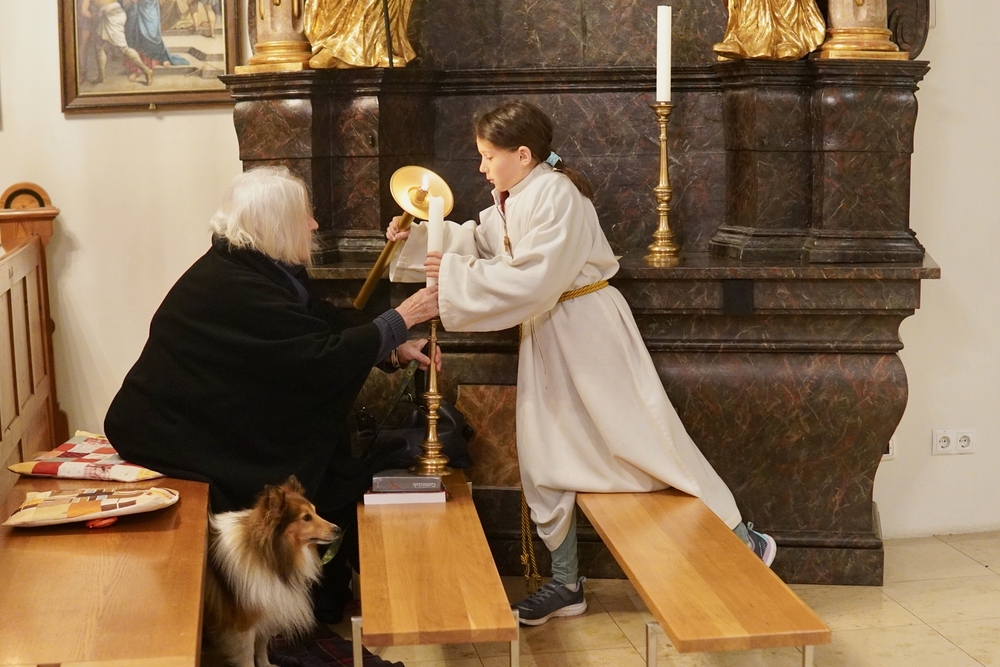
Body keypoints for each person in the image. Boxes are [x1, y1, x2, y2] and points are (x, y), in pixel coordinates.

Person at [387, 101, 776, 626]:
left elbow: (536, 277)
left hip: (588, 331)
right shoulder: (516, 195)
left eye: (488, 156)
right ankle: (566, 582)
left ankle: (744, 540)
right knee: (545, 454)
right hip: (548, 334)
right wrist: (416, 239)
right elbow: (482, 240)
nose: (481, 167)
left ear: (522, 154)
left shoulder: (558, 195)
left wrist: (452, 278)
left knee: (648, 442)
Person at [105, 166, 440, 622]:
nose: (314, 225)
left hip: (206, 418)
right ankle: (288, 603)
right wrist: (402, 317)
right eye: (305, 216)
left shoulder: (258, 267)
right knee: (322, 473)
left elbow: (321, 326)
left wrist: (392, 350)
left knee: (336, 467)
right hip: (174, 435)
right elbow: (315, 361)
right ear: (276, 224)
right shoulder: (232, 285)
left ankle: (319, 595)